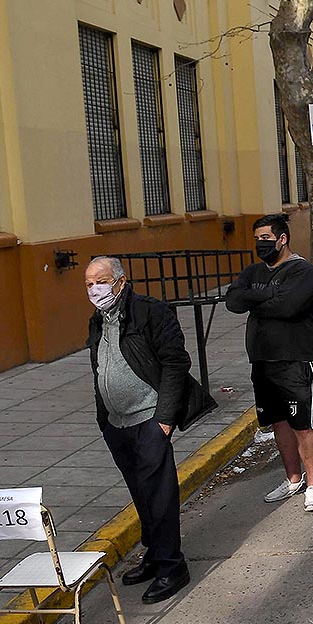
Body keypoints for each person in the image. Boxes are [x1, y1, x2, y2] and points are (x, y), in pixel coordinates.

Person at [86, 257, 214, 604]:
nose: (95, 289)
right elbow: (99, 366)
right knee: (141, 493)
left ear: (120, 281)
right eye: (89, 284)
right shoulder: (98, 319)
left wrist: (164, 419)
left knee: (159, 495)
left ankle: (173, 566)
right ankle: (155, 554)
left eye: (101, 281)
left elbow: (176, 361)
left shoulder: (150, 312)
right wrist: (103, 418)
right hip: (117, 424)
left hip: (149, 419)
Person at [226, 214, 313, 512]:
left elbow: (289, 306)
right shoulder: (253, 271)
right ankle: (293, 479)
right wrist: (268, 294)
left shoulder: (303, 271)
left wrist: (256, 299)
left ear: (282, 239)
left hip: (296, 359)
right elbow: (233, 301)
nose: (261, 244)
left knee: (303, 424)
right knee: (278, 422)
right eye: (257, 239)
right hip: (262, 360)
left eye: (266, 238)